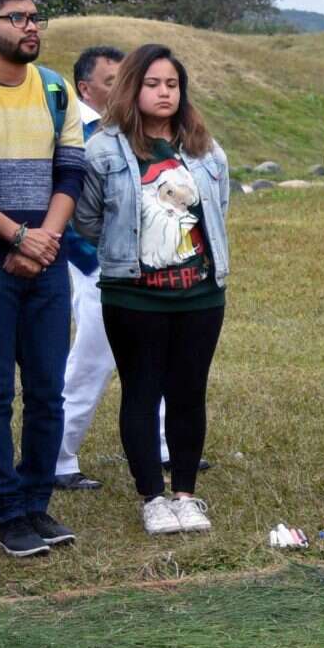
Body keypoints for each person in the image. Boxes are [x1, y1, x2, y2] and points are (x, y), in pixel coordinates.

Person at [75, 45, 232, 534]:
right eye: (152, 84)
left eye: (172, 84)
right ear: (132, 88)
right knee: (140, 392)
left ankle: (185, 493)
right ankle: (152, 497)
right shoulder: (103, 147)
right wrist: (131, 250)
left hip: (201, 295)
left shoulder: (205, 147)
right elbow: (87, 218)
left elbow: (219, 207)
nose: (164, 93)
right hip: (134, 295)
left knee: (189, 392)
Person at [0, 0, 82, 558]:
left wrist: (43, 239)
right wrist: (15, 235)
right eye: (17, 17)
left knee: (47, 390)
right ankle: (6, 511)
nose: (31, 25)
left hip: (47, 252)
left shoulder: (57, 89)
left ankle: (37, 502)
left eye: (36, 16)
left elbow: (70, 173)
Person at [50, 44, 130, 493]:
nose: (122, 89)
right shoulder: (77, 132)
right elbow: (65, 199)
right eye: (111, 81)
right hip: (94, 265)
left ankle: (162, 446)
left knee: (151, 353)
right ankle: (59, 457)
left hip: (137, 263)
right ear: (86, 87)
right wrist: (93, 263)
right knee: (92, 360)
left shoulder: (126, 129)